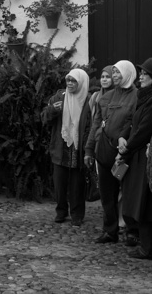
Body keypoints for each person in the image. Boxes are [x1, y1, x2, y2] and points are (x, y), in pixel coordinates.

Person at [116, 57, 152, 260]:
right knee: (146, 203)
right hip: (140, 155)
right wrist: (124, 138)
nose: (141, 77)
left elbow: (144, 131)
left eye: (145, 74)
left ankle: (149, 248)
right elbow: (134, 124)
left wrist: (125, 150)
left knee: (146, 203)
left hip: (145, 157)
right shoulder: (147, 97)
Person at [84, 60, 138, 244]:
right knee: (107, 194)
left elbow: (137, 125)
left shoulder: (138, 97)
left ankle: (132, 231)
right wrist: (89, 149)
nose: (114, 76)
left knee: (130, 193)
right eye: (112, 72)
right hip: (105, 151)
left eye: (118, 73)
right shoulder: (105, 98)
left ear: (128, 74)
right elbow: (96, 125)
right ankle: (110, 230)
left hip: (127, 152)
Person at [41, 68, 91, 226]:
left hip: (79, 147)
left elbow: (92, 123)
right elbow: (44, 119)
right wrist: (52, 110)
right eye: (68, 80)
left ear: (81, 82)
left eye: (73, 80)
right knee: (59, 182)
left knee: (78, 183)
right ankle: (61, 211)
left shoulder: (88, 100)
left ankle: (77, 214)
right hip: (60, 146)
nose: (69, 83)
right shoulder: (59, 97)